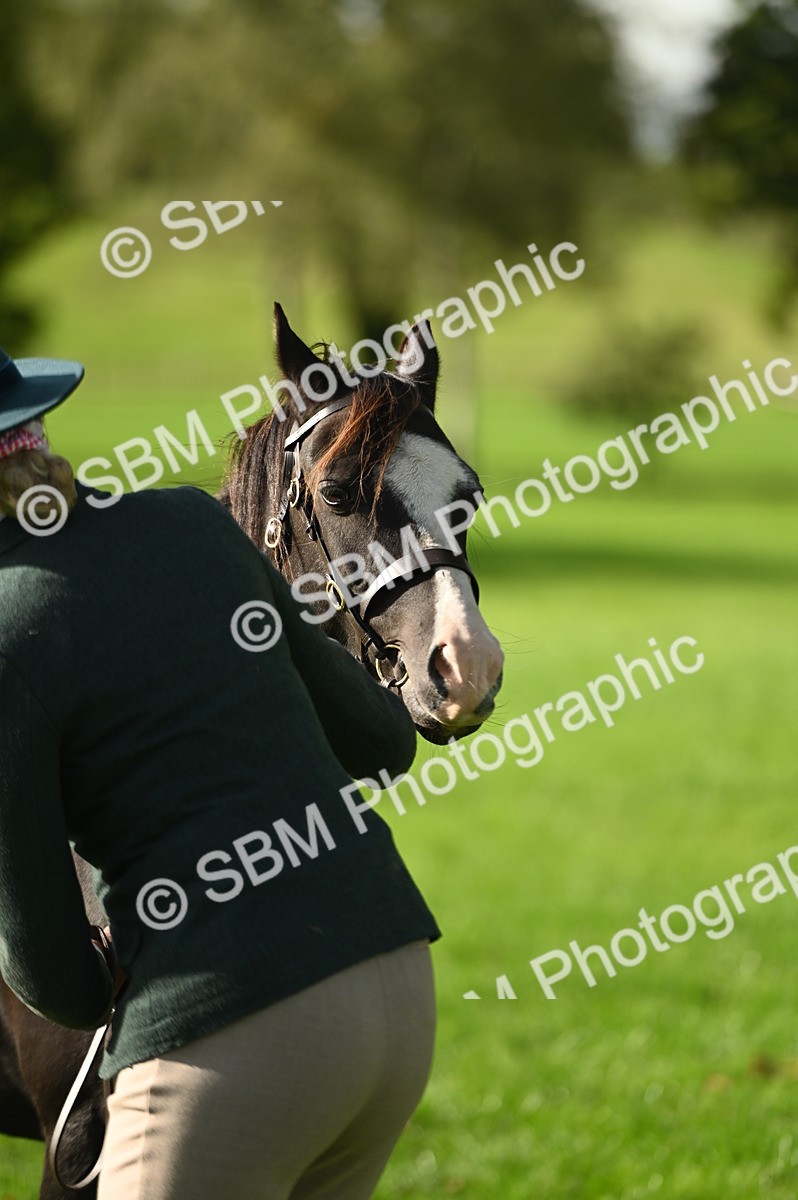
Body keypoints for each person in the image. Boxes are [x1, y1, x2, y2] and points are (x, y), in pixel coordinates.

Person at [0, 345, 439, 1200]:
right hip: (396, 990)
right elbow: (381, 741)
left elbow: (47, 972)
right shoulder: (191, 522)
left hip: (233, 1037)